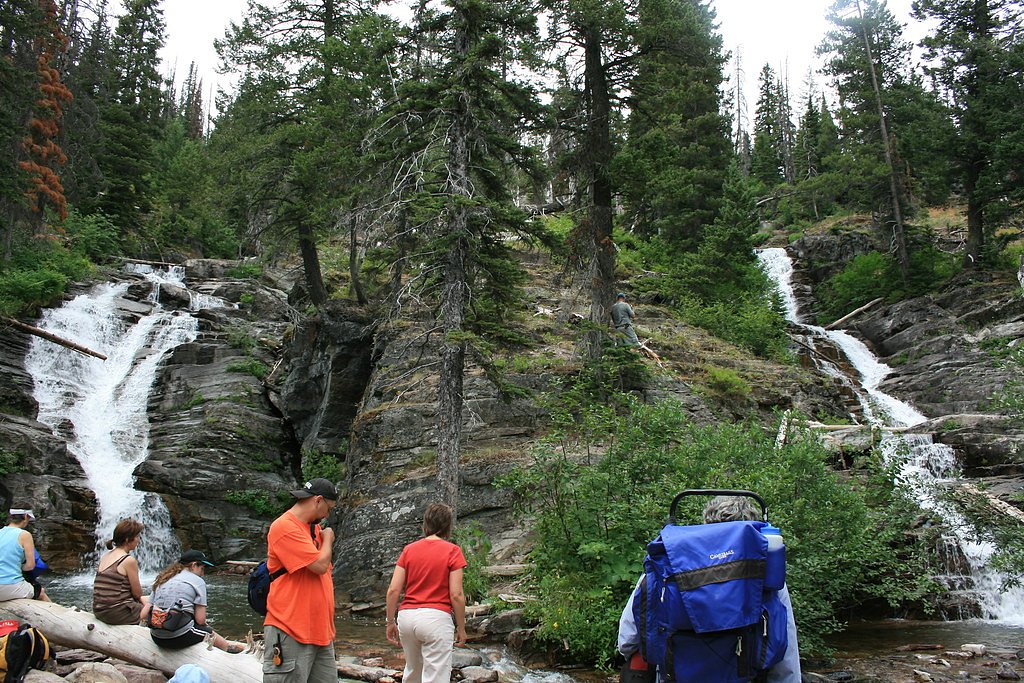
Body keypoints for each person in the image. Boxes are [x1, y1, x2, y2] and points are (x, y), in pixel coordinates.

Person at [617, 496, 802, 683]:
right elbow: (786, 658)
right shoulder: (766, 574)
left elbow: (627, 640)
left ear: (705, 525)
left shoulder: (667, 567)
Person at [263, 478, 338, 683]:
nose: (327, 515)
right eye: (329, 509)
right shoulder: (284, 527)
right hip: (290, 629)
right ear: (318, 500)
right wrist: (328, 539)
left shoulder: (312, 529)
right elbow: (319, 565)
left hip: (321, 633)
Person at [385, 502, 468, 683]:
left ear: (426, 523)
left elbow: (393, 590)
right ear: (447, 526)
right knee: (436, 677)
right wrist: (461, 628)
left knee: (413, 673)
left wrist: (390, 622)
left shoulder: (409, 550)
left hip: (407, 618)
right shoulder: (453, 551)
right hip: (436, 619)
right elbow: (456, 595)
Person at [148, 549, 243, 653]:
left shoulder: (163, 579)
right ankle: (228, 651)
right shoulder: (198, 581)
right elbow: (200, 620)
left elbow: (144, 614)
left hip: (156, 637)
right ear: (193, 565)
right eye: (202, 568)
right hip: (178, 637)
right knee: (210, 634)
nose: (202, 573)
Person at [93, 519, 151, 625]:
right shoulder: (127, 560)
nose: (139, 540)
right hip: (117, 613)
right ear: (128, 540)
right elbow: (137, 594)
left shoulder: (106, 556)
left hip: (99, 610)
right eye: (137, 537)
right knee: (157, 612)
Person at [0, 508, 50, 602]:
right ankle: (58, 612)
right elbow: (30, 566)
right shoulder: (24, 535)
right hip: (9, 586)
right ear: (26, 516)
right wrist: (20, 567)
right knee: (40, 592)